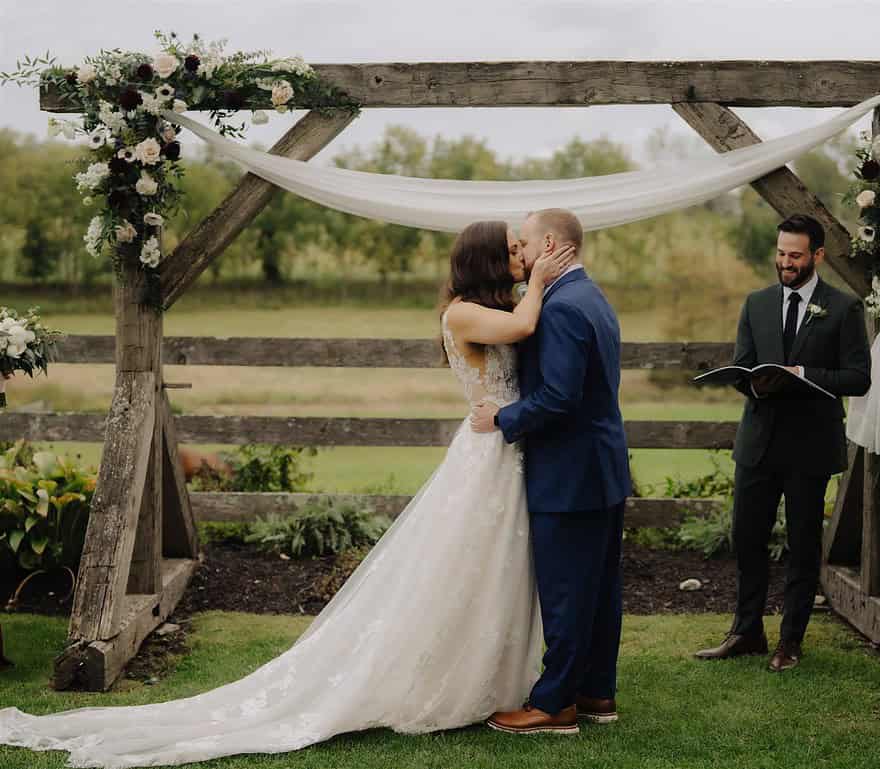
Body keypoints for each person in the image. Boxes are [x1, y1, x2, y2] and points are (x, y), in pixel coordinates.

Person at [0, 221, 575, 768]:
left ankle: (495, 675)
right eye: (512, 247)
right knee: (469, 563)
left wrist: (542, 285)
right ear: (486, 260)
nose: (523, 253)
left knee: (493, 565)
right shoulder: (465, 312)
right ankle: (451, 677)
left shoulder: (491, 305)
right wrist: (546, 280)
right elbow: (524, 329)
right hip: (486, 452)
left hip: (504, 444)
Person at [470, 208, 631, 735]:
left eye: (526, 243)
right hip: (601, 467)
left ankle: (555, 704)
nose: (521, 253)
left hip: (569, 473)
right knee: (599, 590)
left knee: (566, 592)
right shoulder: (590, 295)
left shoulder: (561, 308)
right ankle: (596, 693)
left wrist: (502, 417)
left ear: (551, 244)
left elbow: (559, 397)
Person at [694, 214, 870, 672]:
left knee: (802, 544)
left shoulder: (844, 307)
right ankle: (746, 631)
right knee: (747, 538)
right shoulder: (756, 304)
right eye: (780, 254)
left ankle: (790, 642)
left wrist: (803, 375)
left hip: (810, 446)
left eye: (795, 255)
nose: (785, 263)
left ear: (817, 256)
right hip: (758, 442)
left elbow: (859, 377)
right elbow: (744, 366)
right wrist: (753, 383)